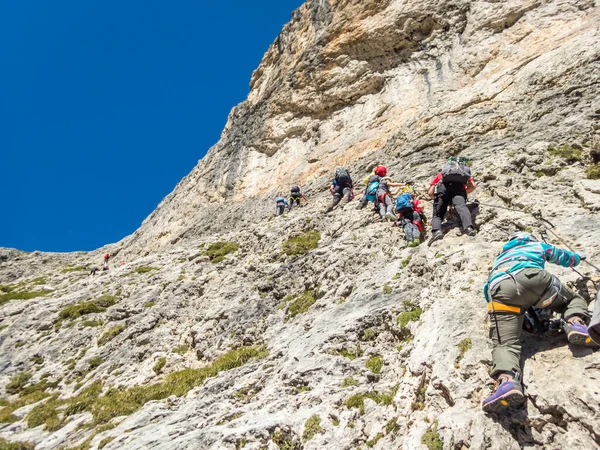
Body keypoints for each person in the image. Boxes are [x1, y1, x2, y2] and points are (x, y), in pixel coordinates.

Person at [482, 232, 597, 413]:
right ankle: (575, 323)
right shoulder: (535, 246)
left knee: (505, 343)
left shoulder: (500, 258)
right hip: (532, 277)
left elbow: (486, 291)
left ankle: (507, 381)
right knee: (572, 300)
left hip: (499, 288)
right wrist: (576, 258)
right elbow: (561, 256)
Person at [427, 156, 477, 245]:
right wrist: (462, 193)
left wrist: (437, 198)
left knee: (438, 213)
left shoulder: (441, 174)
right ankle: (469, 228)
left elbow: (430, 192)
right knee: (462, 207)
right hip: (458, 189)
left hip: (443, 189)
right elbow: (473, 186)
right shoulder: (463, 171)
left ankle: (437, 231)